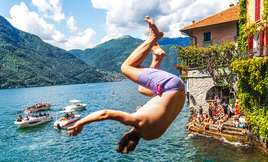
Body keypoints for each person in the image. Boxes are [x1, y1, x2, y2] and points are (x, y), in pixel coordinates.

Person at [68, 16, 185, 154]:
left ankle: (157, 57)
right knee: (125, 67)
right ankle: (154, 37)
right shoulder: (136, 120)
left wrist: (144, 110)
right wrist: (80, 123)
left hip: (180, 90)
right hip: (169, 85)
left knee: (142, 89)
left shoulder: (151, 135)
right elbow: (105, 114)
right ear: (124, 134)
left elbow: (160, 110)